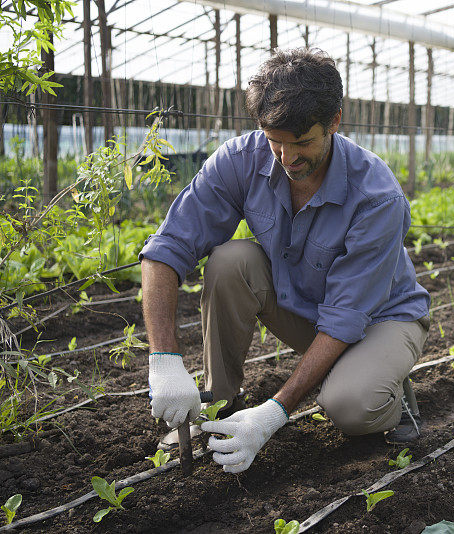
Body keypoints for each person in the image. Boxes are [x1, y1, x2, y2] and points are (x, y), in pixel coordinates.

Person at [140, 48, 430, 474]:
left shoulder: (377, 197)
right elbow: (167, 248)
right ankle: (220, 403)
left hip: (381, 318)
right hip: (308, 305)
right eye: (275, 141)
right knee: (229, 261)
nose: (286, 158)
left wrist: (273, 414)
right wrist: (163, 359)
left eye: (301, 143)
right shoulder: (242, 159)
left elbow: (345, 318)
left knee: (348, 406)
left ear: (335, 121)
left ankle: (392, 398)